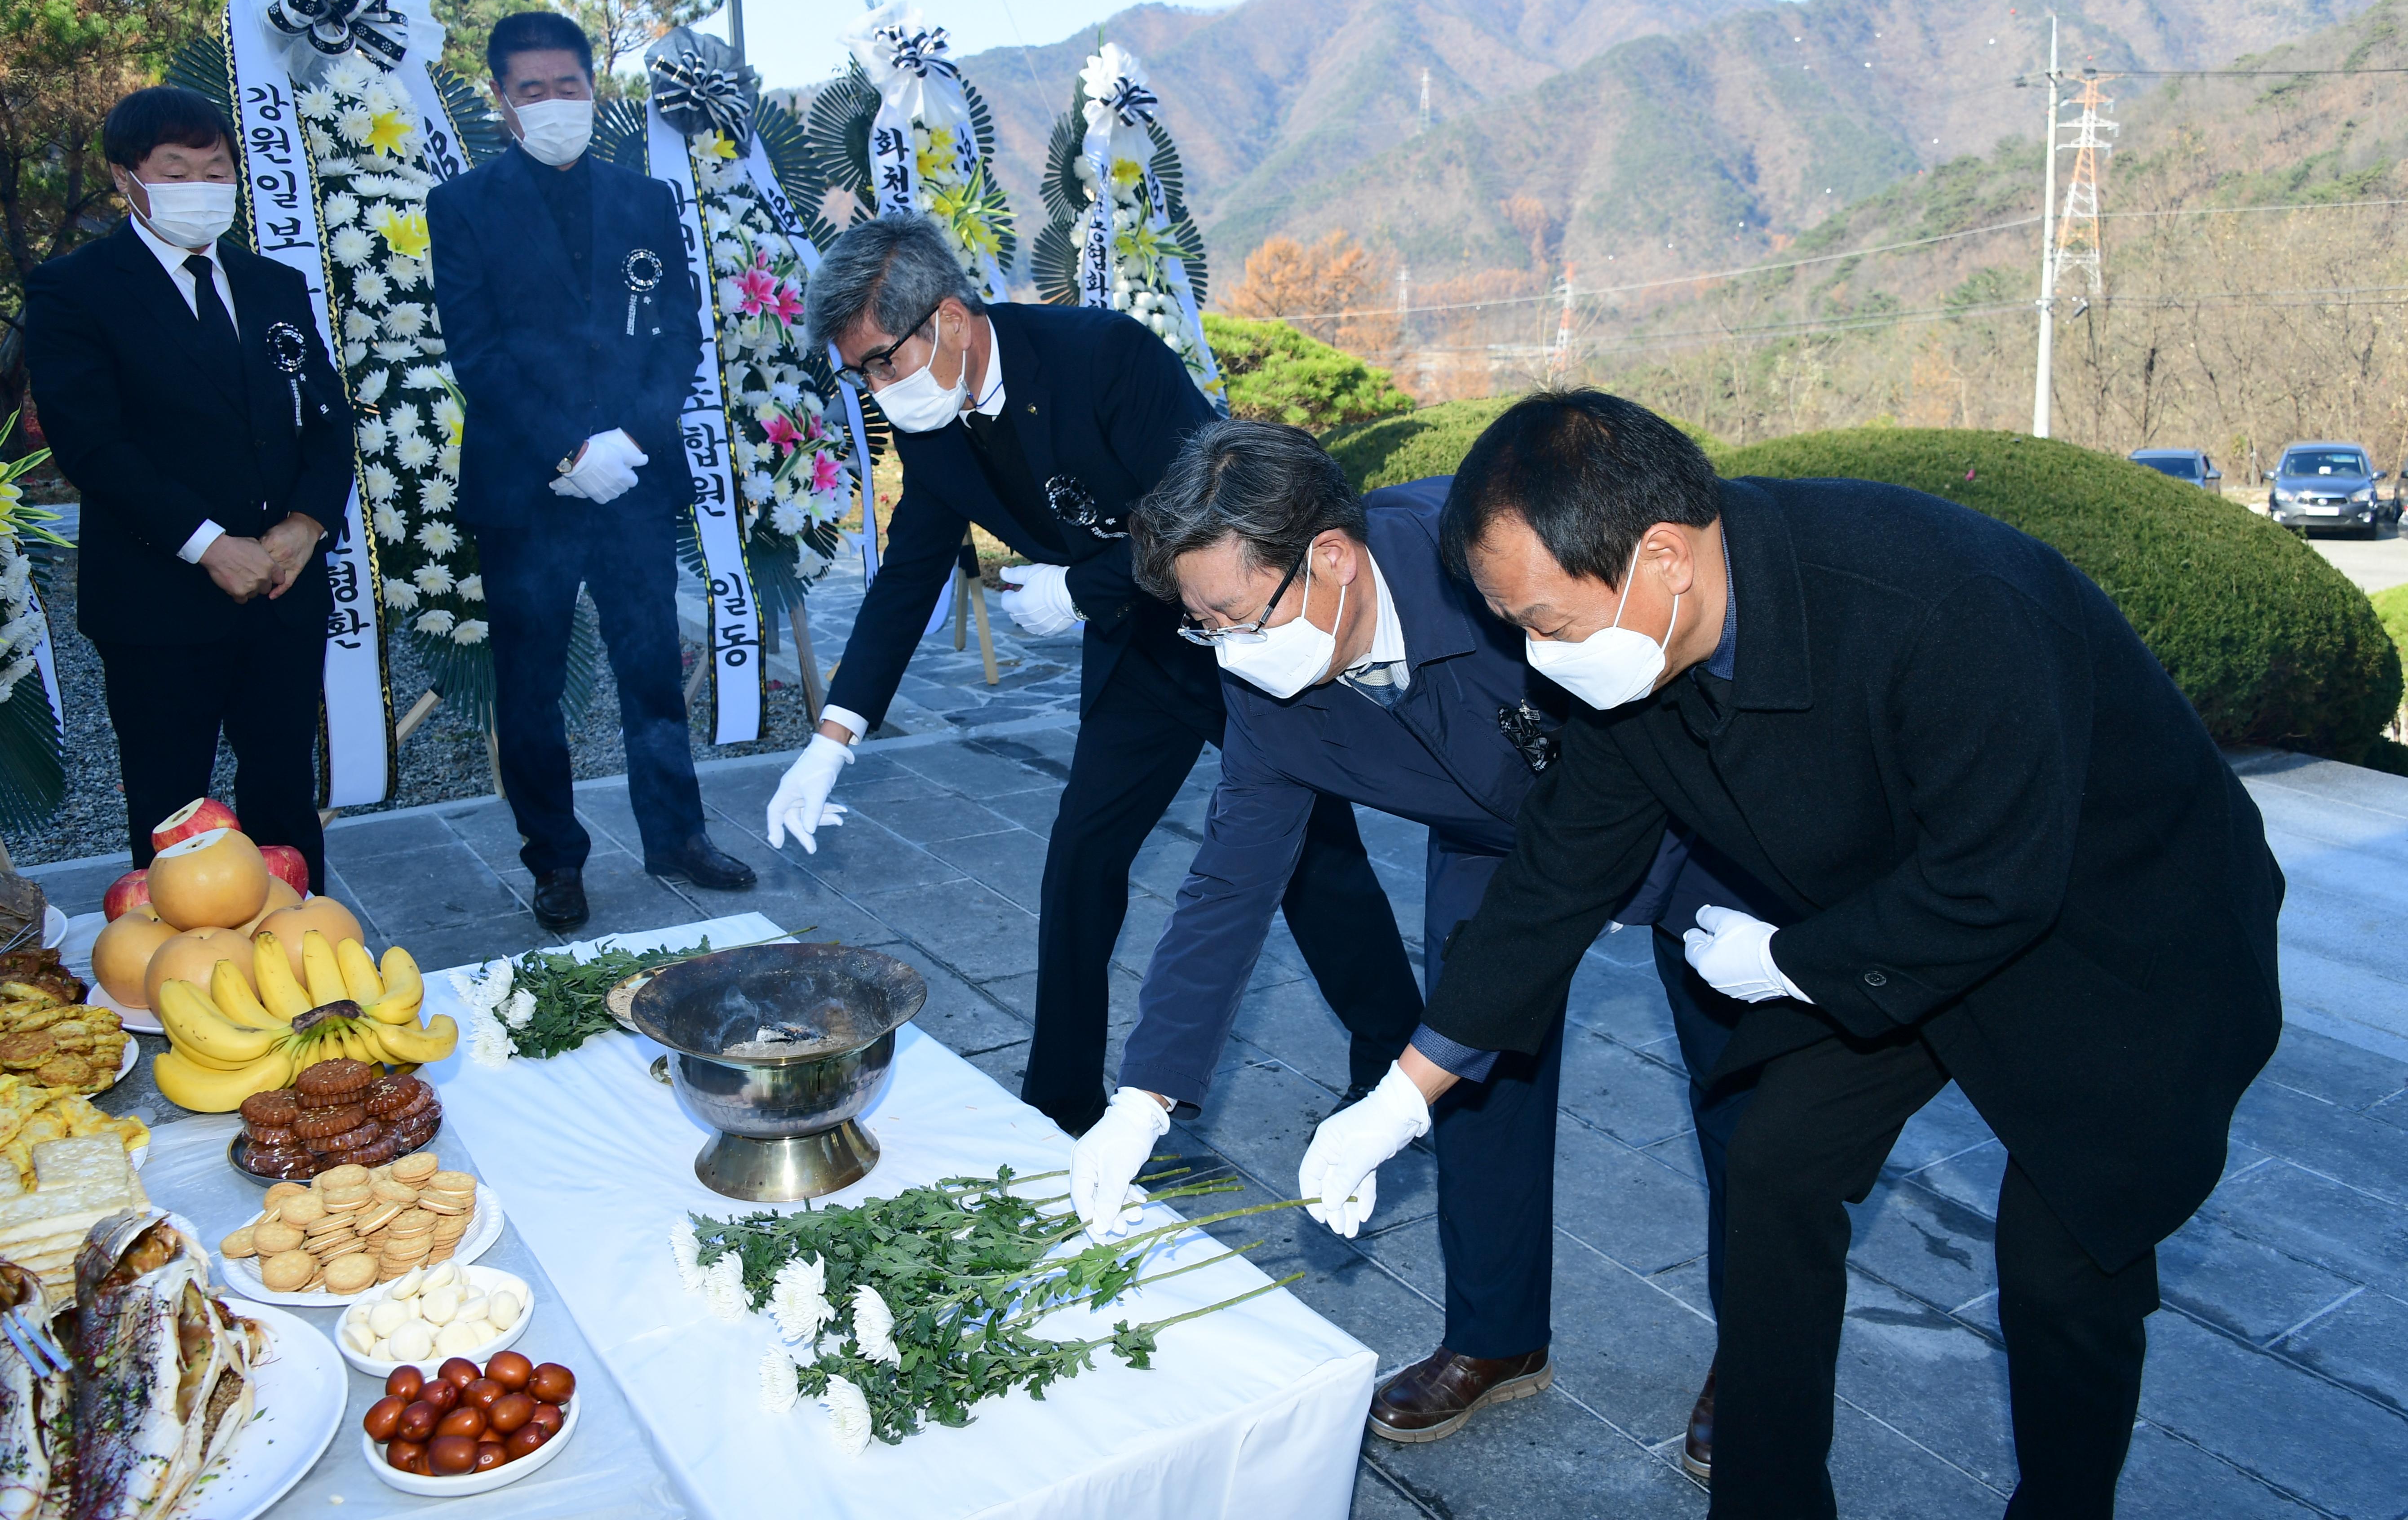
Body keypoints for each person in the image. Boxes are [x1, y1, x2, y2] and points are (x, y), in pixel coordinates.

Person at [1299, 390, 2285, 1518]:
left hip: (2119, 932)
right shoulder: (1640, 658)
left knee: (2064, 1267)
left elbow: (1999, 883)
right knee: (1777, 1163)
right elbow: (1549, 884)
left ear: (1661, 556)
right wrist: (1404, 1097)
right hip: (1888, 918)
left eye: (1546, 623)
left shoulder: (1942, 602)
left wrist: (1796, 960)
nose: (1535, 658)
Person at [1066, 420, 1756, 1467]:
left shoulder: (1484, 558)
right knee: (1468, 1082)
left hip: (1681, 812)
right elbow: (1229, 882)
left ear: (1331, 559)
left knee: (1742, 1091)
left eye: (1234, 614)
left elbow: (1670, 680)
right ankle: (1496, 1333)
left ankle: (1758, 1353)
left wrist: (1642, 879)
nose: (1228, 647)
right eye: (1203, 626)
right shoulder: (1260, 671)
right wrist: (1143, 1096)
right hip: (1488, 842)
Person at [764, 216, 1419, 1135]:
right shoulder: (937, 420)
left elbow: (1214, 525)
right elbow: (912, 566)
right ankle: (1061, 1101)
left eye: (880, 361)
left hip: (1238, 637)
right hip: (1138, 651)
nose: (875, 388)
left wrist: (1080, 584)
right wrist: (832, 739)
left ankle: (1395, 1057)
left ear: (949, 320)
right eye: (859, 373)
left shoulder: (1105, 358)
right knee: (1082, 859)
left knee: (1314, 852)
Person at [430, 11, 753, 931]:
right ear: (502, 101)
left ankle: (677, 835)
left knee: (652, 667)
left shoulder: (645, 201)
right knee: (532, 687)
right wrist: (571, 448)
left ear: (592, 88)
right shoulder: (463, 207)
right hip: (526, 485)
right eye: (531, 90)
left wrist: (628, 443)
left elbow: (679, 333)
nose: (553, 102)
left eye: (568, 84)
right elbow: (478, 353)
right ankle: (556, 860)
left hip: (635, 482)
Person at [27, 86, 351, 886]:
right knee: (173, 809)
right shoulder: (77, 290)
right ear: (124, 179)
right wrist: (209, 546)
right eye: (176, 167)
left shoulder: (271, 283)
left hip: (283, 588)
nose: (201, 185)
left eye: (216, 167)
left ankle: (301, 951)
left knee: (282, 789)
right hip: (159, 597)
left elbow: (327, 416)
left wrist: (308, 521)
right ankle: (189, 973)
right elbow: (92, 444)